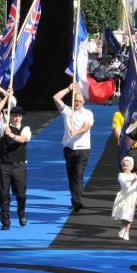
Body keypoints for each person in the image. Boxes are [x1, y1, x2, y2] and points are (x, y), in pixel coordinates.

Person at [53, 84, 94, 212]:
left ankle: (78, 201)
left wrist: (76, 132)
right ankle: (74, 199)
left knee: (78, 174)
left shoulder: (88, 113)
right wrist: (69, 89)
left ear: (84, 102)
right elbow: (55, 98)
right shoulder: (67, 111)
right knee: (71, 176)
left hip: (83, 148)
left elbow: (87, 126)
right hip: (69, 148)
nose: (77, 103)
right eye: (76, 100)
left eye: (80, 101)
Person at [0, 94, 31, 230]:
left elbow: (23, 139)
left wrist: (11, 135)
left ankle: (21, 212)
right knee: (4, 194)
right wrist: (6, 97)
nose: (16, 118)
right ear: (10, 116)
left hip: (19, 166)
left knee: (21, 194)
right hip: (4, 166)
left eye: (18, 116)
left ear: (21, 117)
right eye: (14, 115)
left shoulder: (25, 129)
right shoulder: (3, 126)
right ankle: (5, 220)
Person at [112, 156, 137, 241]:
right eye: (124, 165)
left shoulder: (135, 176)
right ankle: (123, 227)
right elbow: (126, 185)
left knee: (130, 215)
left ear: (131, 166)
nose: (125, 167)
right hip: (123, 197)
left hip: (132, 198)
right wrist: (133, 181)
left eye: (127, 166)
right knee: (123, 214)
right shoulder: (121, 175)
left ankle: (127, 232)